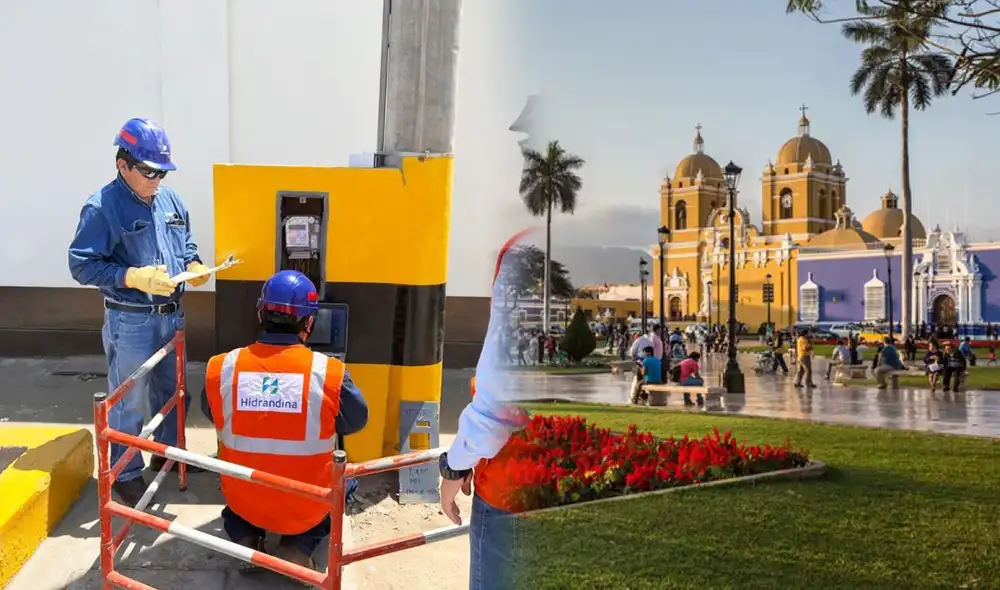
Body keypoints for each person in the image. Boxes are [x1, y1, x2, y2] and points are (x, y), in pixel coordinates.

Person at [68, 118, 212, 506]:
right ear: (123, 164)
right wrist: (131, 276)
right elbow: (81, 265)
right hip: (131, 318)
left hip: (171, 314)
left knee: (173, 390)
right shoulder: (102, 207)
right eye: (149, 172)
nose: (156, 180)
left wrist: (194, 264)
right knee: (129, 398)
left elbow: (186, 242)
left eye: (162, 172)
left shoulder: (170, 200)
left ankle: (168, 452)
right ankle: (125, 472)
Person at [201, 270, 368, 568]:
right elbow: (355, 421)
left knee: (237, 499)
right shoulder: (329, 373)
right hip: (306, 506)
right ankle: (298, 546)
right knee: (347, 482)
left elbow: (211, 411)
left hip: (243, 499)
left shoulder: (222, 367)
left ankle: (246, 538)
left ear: (260, 313)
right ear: (309, 323)